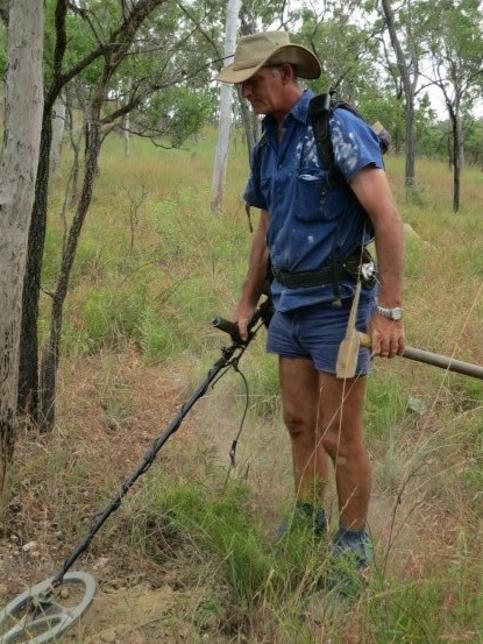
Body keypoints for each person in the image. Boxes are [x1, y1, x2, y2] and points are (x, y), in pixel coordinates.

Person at [216, 31, 405, 568]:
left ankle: (352, 546)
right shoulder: (267, 143)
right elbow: (267, 227)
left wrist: (389, 311)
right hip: (289, 305)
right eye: (243, 85)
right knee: (298, 421)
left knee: (337, 436)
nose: (247, 93)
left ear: (286, 74)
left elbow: (387, 219)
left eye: (253, 81)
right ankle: (306, 518)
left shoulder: (336, 128)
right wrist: (246, 302)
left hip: (339, 308)